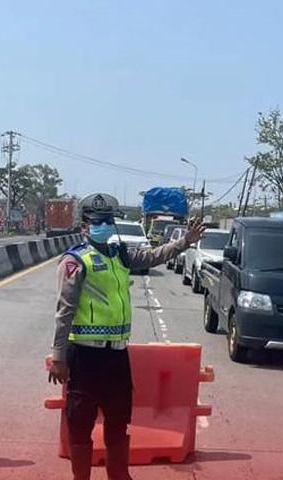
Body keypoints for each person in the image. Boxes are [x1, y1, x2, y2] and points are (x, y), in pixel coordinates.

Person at [48, 193, 203, 480]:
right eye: (96, 222)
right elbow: (64, 312)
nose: (103, 226)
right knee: (80, 423)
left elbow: (153, 256)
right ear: (84, 226)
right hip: (84, 357)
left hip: (117, 357)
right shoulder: (75, 261)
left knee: (119, 421)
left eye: (107, 221)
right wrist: (58, 357)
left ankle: (119, 475)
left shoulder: (120, 255)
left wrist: (185, 242)